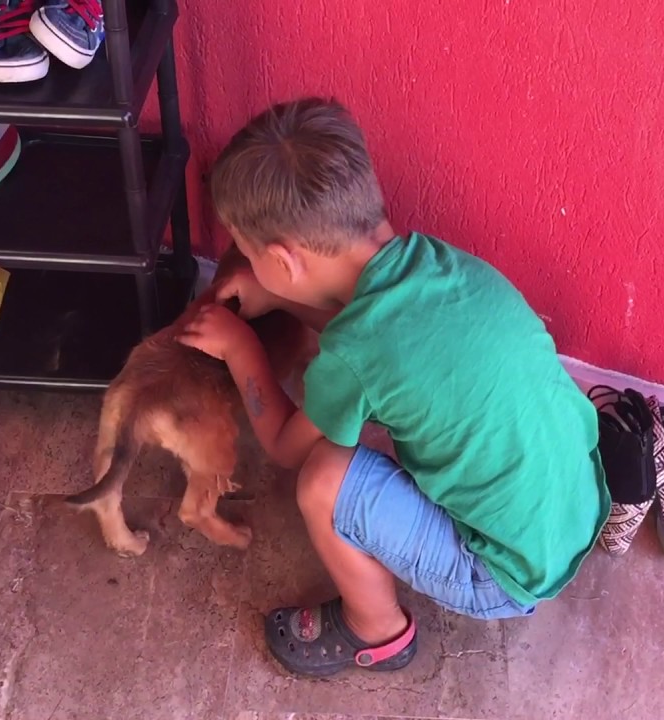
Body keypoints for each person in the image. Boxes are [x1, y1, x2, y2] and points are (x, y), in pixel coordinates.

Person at [178, 97, 608, 677]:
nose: (251, 267)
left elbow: (283, 443)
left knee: (323, 480)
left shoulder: (359, 352)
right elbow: (374, 346)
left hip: (503, 574)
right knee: (383, 424)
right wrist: (278, 297)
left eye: (251, 255)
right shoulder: (441, 264)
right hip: (577, 503)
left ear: (283, 258)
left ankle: (375, 630)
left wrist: (239, 346)